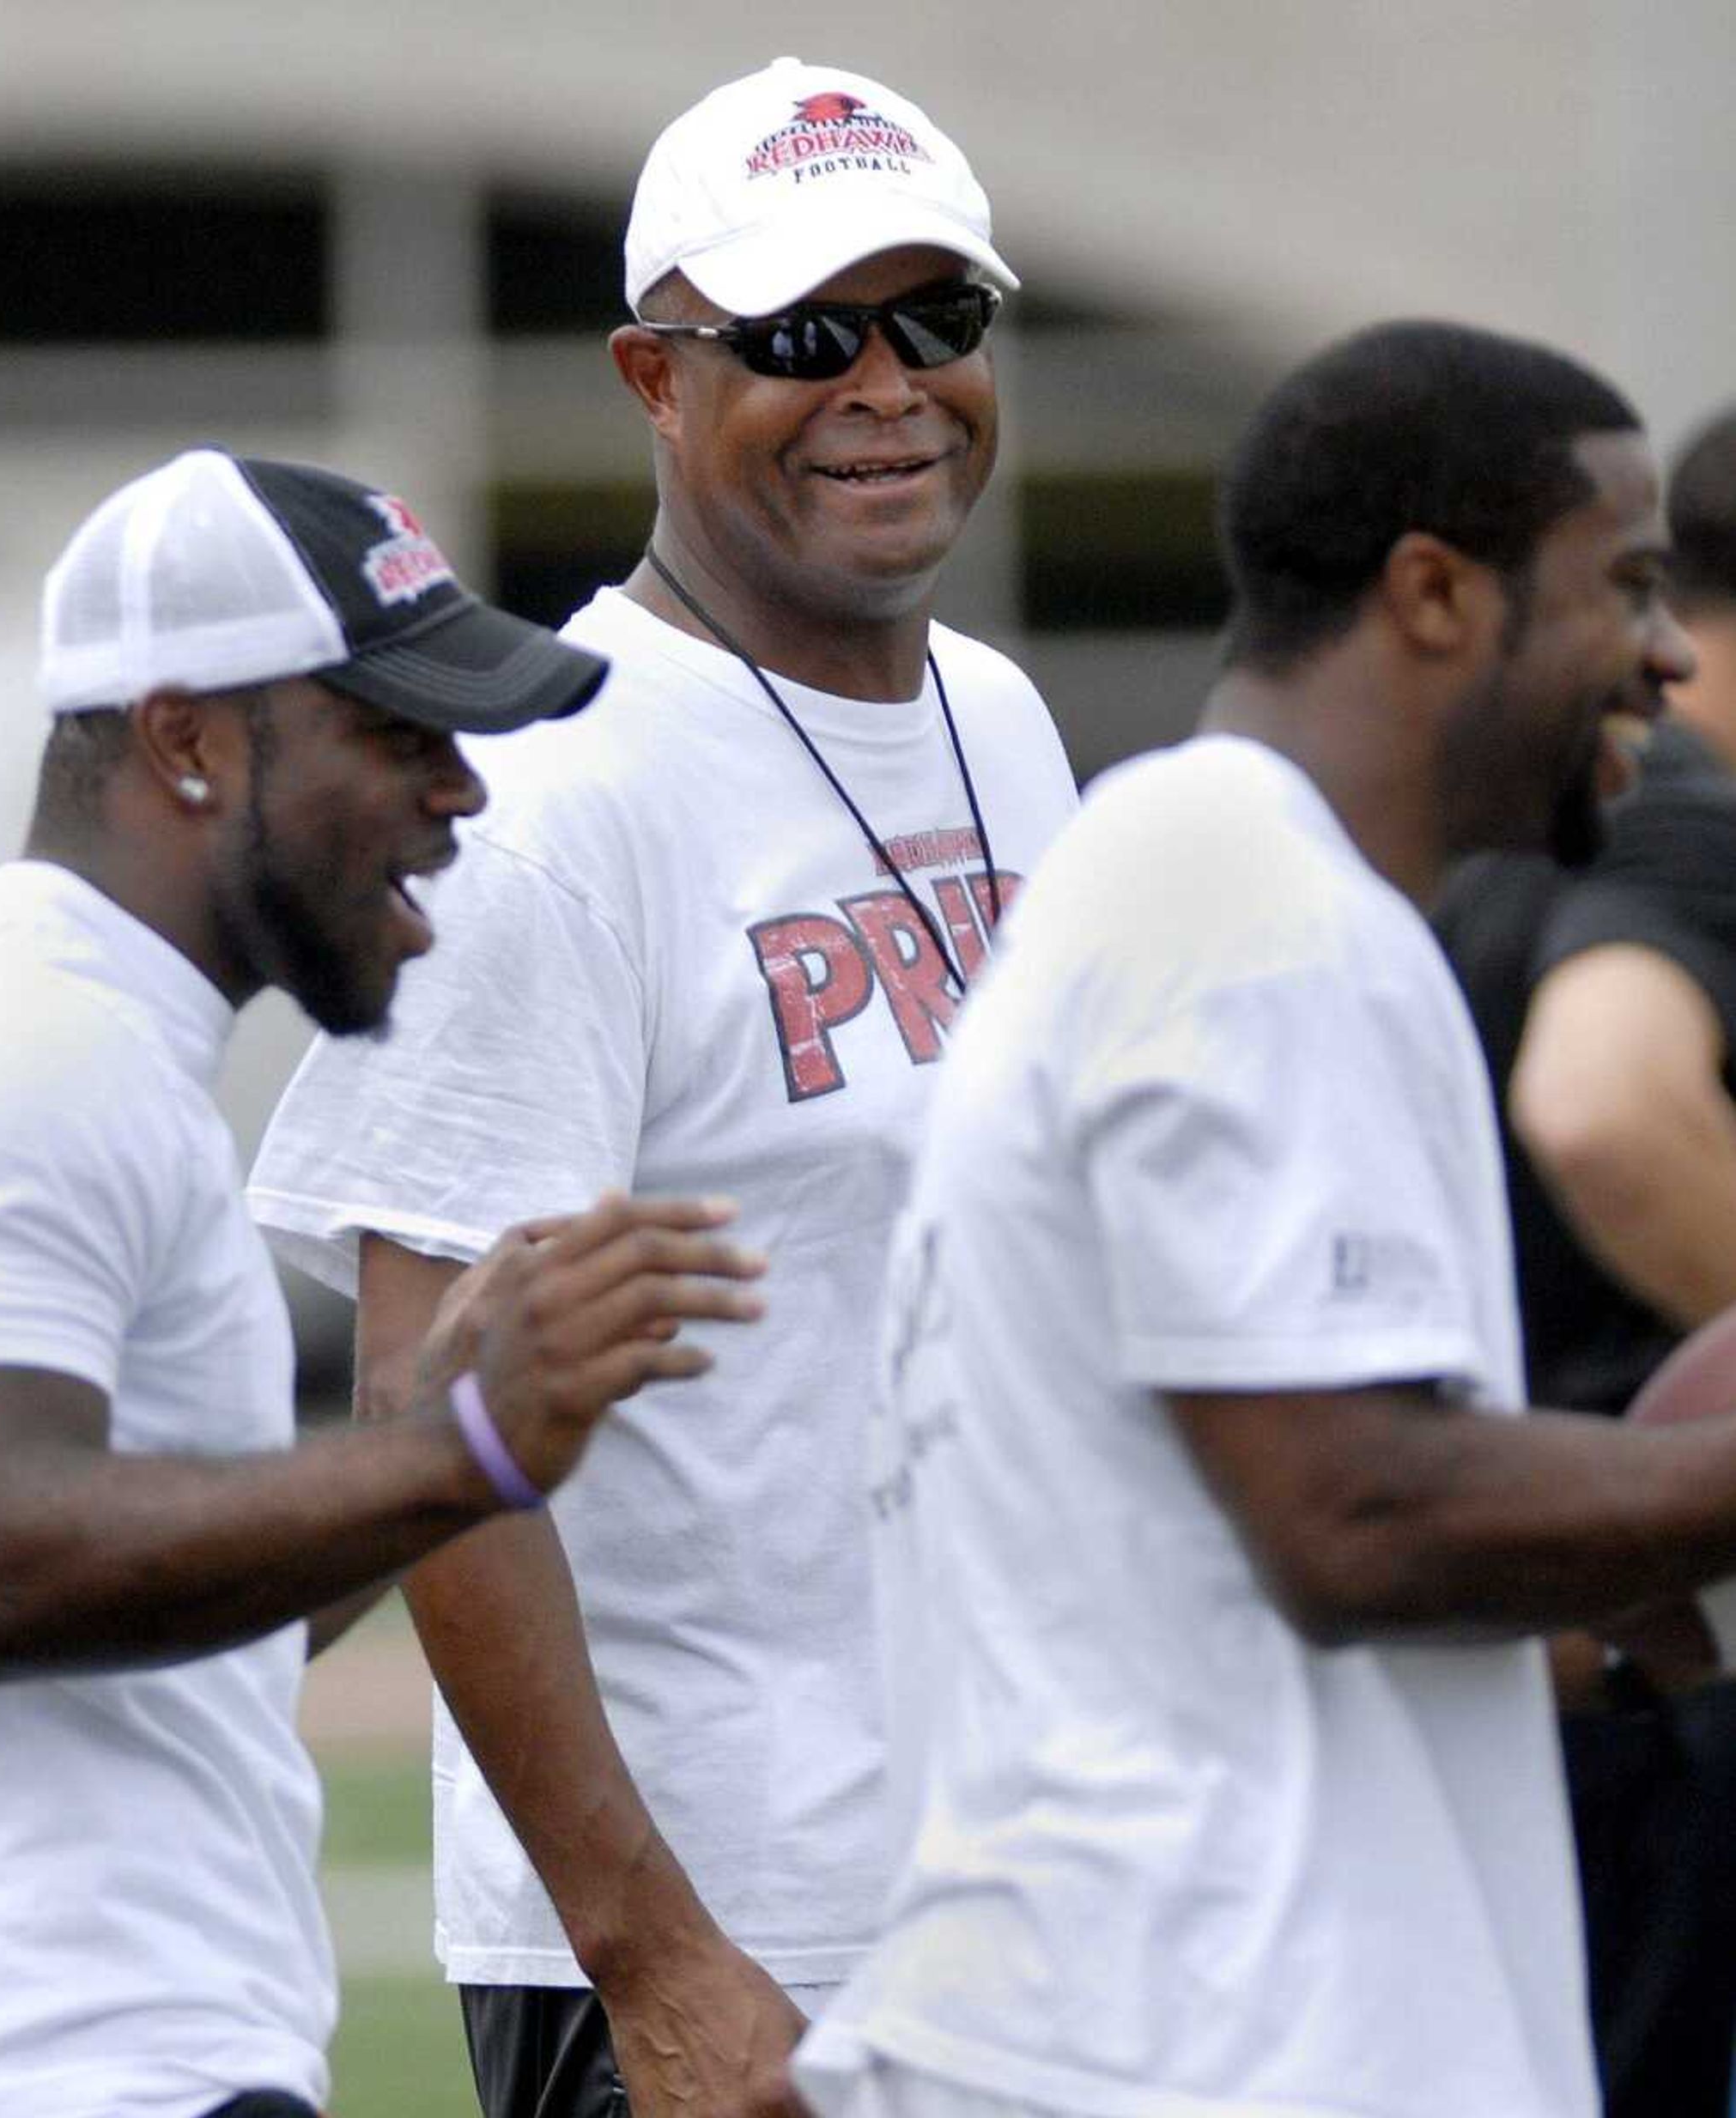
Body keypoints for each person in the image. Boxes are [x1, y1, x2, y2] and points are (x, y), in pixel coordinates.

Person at [246, 54, 1077, 2118]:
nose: (886, 385)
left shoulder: (1000, 715)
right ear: (652, 378)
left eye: (938, 319)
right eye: (801, 336)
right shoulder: (546, 803)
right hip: (716, 1950)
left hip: (1011, 1894)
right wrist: (658, 1957)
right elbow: (425, 1425)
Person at [784, 320, 1736, 2118]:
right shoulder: (1238, 890)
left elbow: (1228, 1559)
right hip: (1200, 2045)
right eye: (1623, 586)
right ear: (1437, 593)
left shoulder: (1225, 890)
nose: (1671, 652)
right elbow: (1354, 1514)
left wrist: (1617, 1604)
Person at [0, 446, 770, 2118]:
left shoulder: (96, 1047)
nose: (462, 793)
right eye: (394, 733)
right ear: (188, 739)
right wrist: (456, 1453)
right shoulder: (44, 1055)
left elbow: (144, 1624)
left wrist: (413, 1439)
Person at [1432, 404, 1736, 2118]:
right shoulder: (1686, 819)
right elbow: (1605, 1107)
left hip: (1530, 1659)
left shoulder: (1547, 811)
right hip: (1642, 1671)